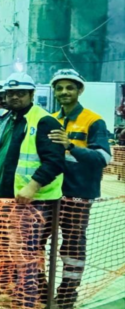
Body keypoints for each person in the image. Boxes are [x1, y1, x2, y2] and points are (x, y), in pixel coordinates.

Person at [0, 72, 65, 309]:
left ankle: (28, 301)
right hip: (10, 199)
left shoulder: (43, 121)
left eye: (20, 93)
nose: (14, 97)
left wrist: (32, 186)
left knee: (27, 254)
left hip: (33, 202)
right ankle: (20, 294)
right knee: (16, 251)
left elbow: (54, 161)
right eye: (11, 93)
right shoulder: (7, 119)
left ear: (32, 95)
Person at [49, 69, 111, 309]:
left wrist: (71, 146)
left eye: (70, 87)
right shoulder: (52, 118)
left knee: (73, 245)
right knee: (40, 241)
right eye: (60, 88)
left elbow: (103, 157)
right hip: (53, 193)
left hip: (79, 195)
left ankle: (67, 293)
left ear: (79, 90)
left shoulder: (93, 120)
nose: (64, 92)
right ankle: (42, 290)